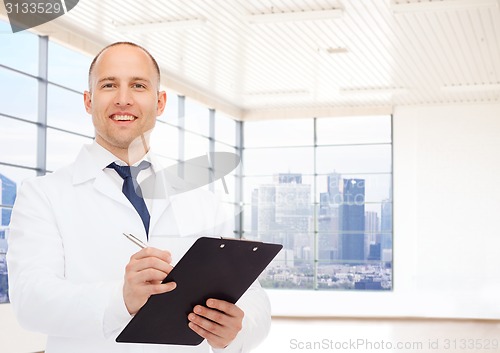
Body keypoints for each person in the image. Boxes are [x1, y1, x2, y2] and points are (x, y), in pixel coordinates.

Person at [7, 42, 271, 353]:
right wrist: (122, 299)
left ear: (159, 102)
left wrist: (237, 330)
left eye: (138, 85)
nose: (123, 99)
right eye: (109, 85)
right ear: (88, 101)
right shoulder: (42, 196)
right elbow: (30, 302)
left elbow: (253, 297)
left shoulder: (202, 201)